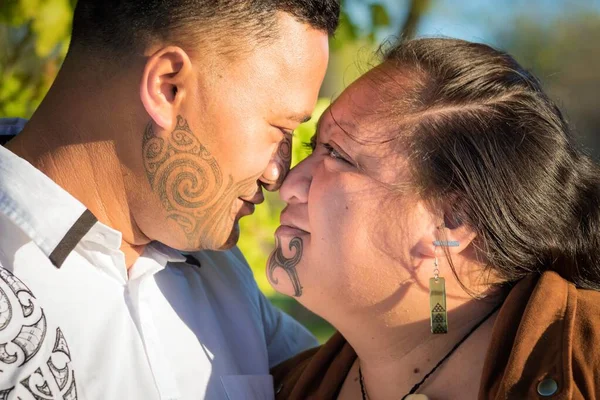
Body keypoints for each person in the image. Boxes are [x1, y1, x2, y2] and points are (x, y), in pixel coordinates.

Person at [0, 1, 339, 399]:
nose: (278, 174)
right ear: (167, 86)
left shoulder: (220, 273)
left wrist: (431, 280)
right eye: (279, 129)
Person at [268, 37, 600, 399]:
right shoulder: (282, 387)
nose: (289, 183)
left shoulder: (587, 365)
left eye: (338, 154)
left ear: (453, 219)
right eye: (311, 148)